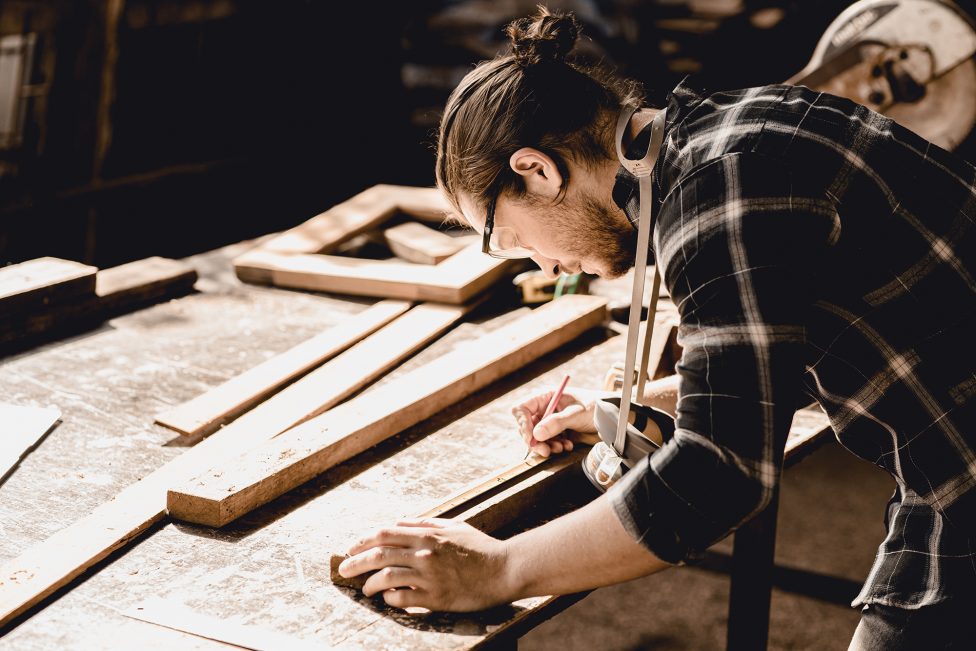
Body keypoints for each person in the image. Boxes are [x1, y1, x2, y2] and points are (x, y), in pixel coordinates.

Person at [337, 7, 976, 648]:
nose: (543, 265)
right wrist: (654, 399)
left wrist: (499, 568)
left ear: (538, 170)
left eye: (505, 237)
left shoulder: (718, 195)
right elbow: (792, 337)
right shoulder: (733, 129)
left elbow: (719, 473)